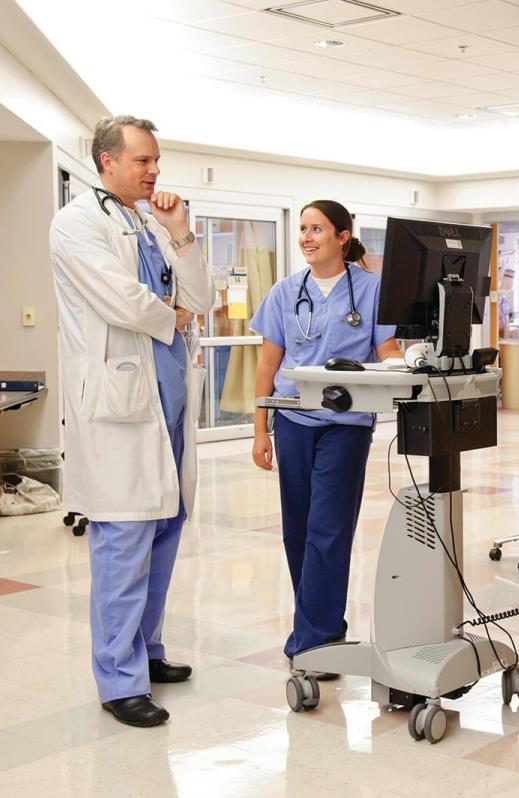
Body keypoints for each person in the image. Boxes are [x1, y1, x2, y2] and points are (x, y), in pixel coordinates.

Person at [49, 115, 213, 727]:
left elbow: (201, 300)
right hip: (120, 407)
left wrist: (183, 236)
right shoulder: (76, 222)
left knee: (165, 529)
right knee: (122, 542)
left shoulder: (149, 221)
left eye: (156, 161)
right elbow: (121, 298)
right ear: (107, 161)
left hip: (165, 402)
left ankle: (147, 652)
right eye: (142, 161)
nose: (153, 172)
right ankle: (119, 680)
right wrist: (175, 315)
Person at [250, 200, 401, 671]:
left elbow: (388, 348)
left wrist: (403, 370)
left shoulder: (373, 290)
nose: (307, 237)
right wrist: (260, 428)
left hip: (346, 424)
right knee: (298, 529)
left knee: (328, 529)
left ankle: (312, 640)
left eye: (317, 229)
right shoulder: (284, 292)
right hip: (294, 418)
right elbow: (268, 363)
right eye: (302, 229)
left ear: (341, 236)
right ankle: (325, 624)